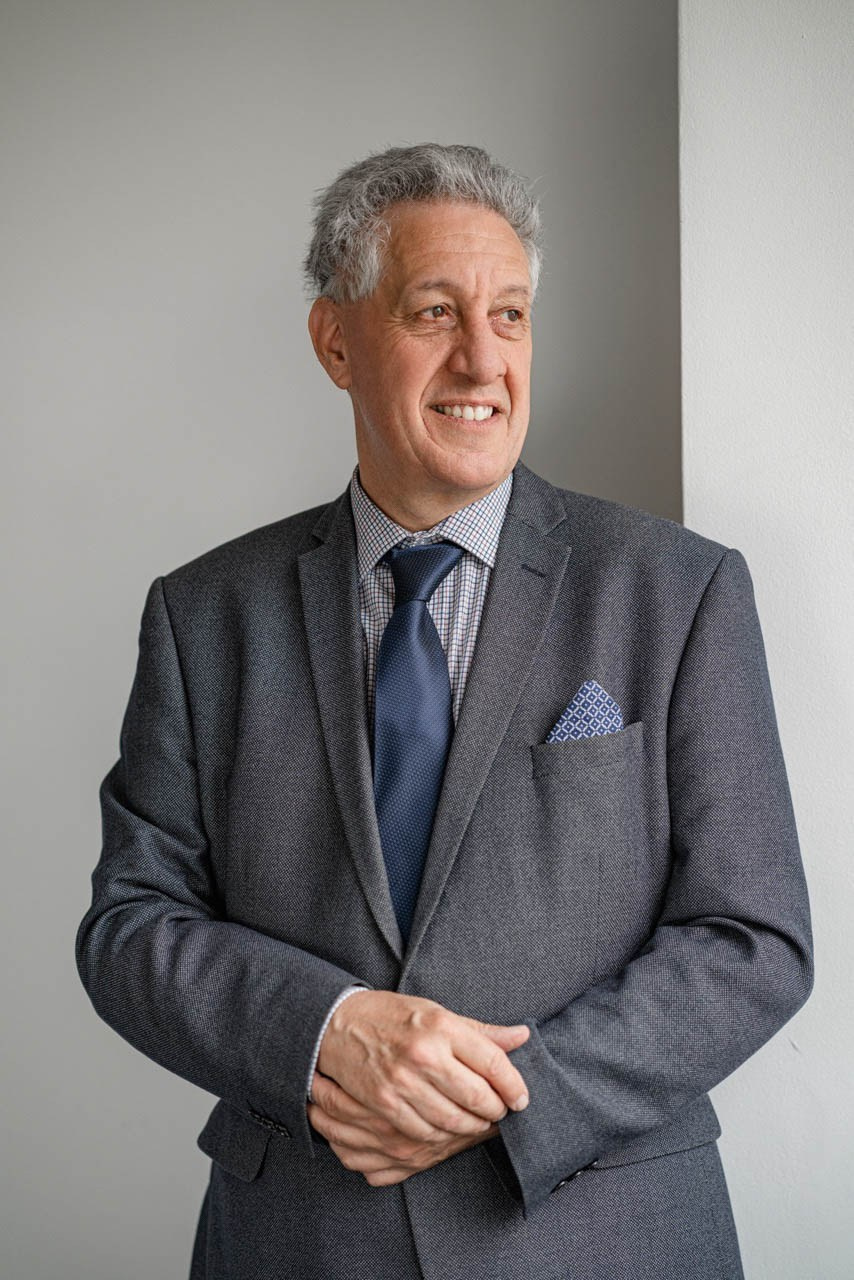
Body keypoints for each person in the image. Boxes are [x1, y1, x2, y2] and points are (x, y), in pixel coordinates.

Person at [76, 143, 813, 1280]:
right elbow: (131, 924)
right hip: (300, 1242)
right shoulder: (204, 614)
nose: (483, 358)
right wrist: (328, 1028)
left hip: (602, 1239)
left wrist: (502, 1100)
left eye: (509, 314)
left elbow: (752, 938)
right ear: (335, 341)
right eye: (435, 311)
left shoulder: (678, 590)